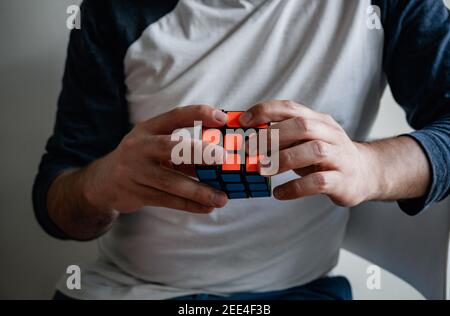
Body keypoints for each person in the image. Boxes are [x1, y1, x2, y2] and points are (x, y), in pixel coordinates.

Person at [33, 0, 450, 300]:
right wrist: (100, 185)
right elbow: (56, 201)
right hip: (129, 288)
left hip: (300, 289)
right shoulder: (112, 10)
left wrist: (370, 166)